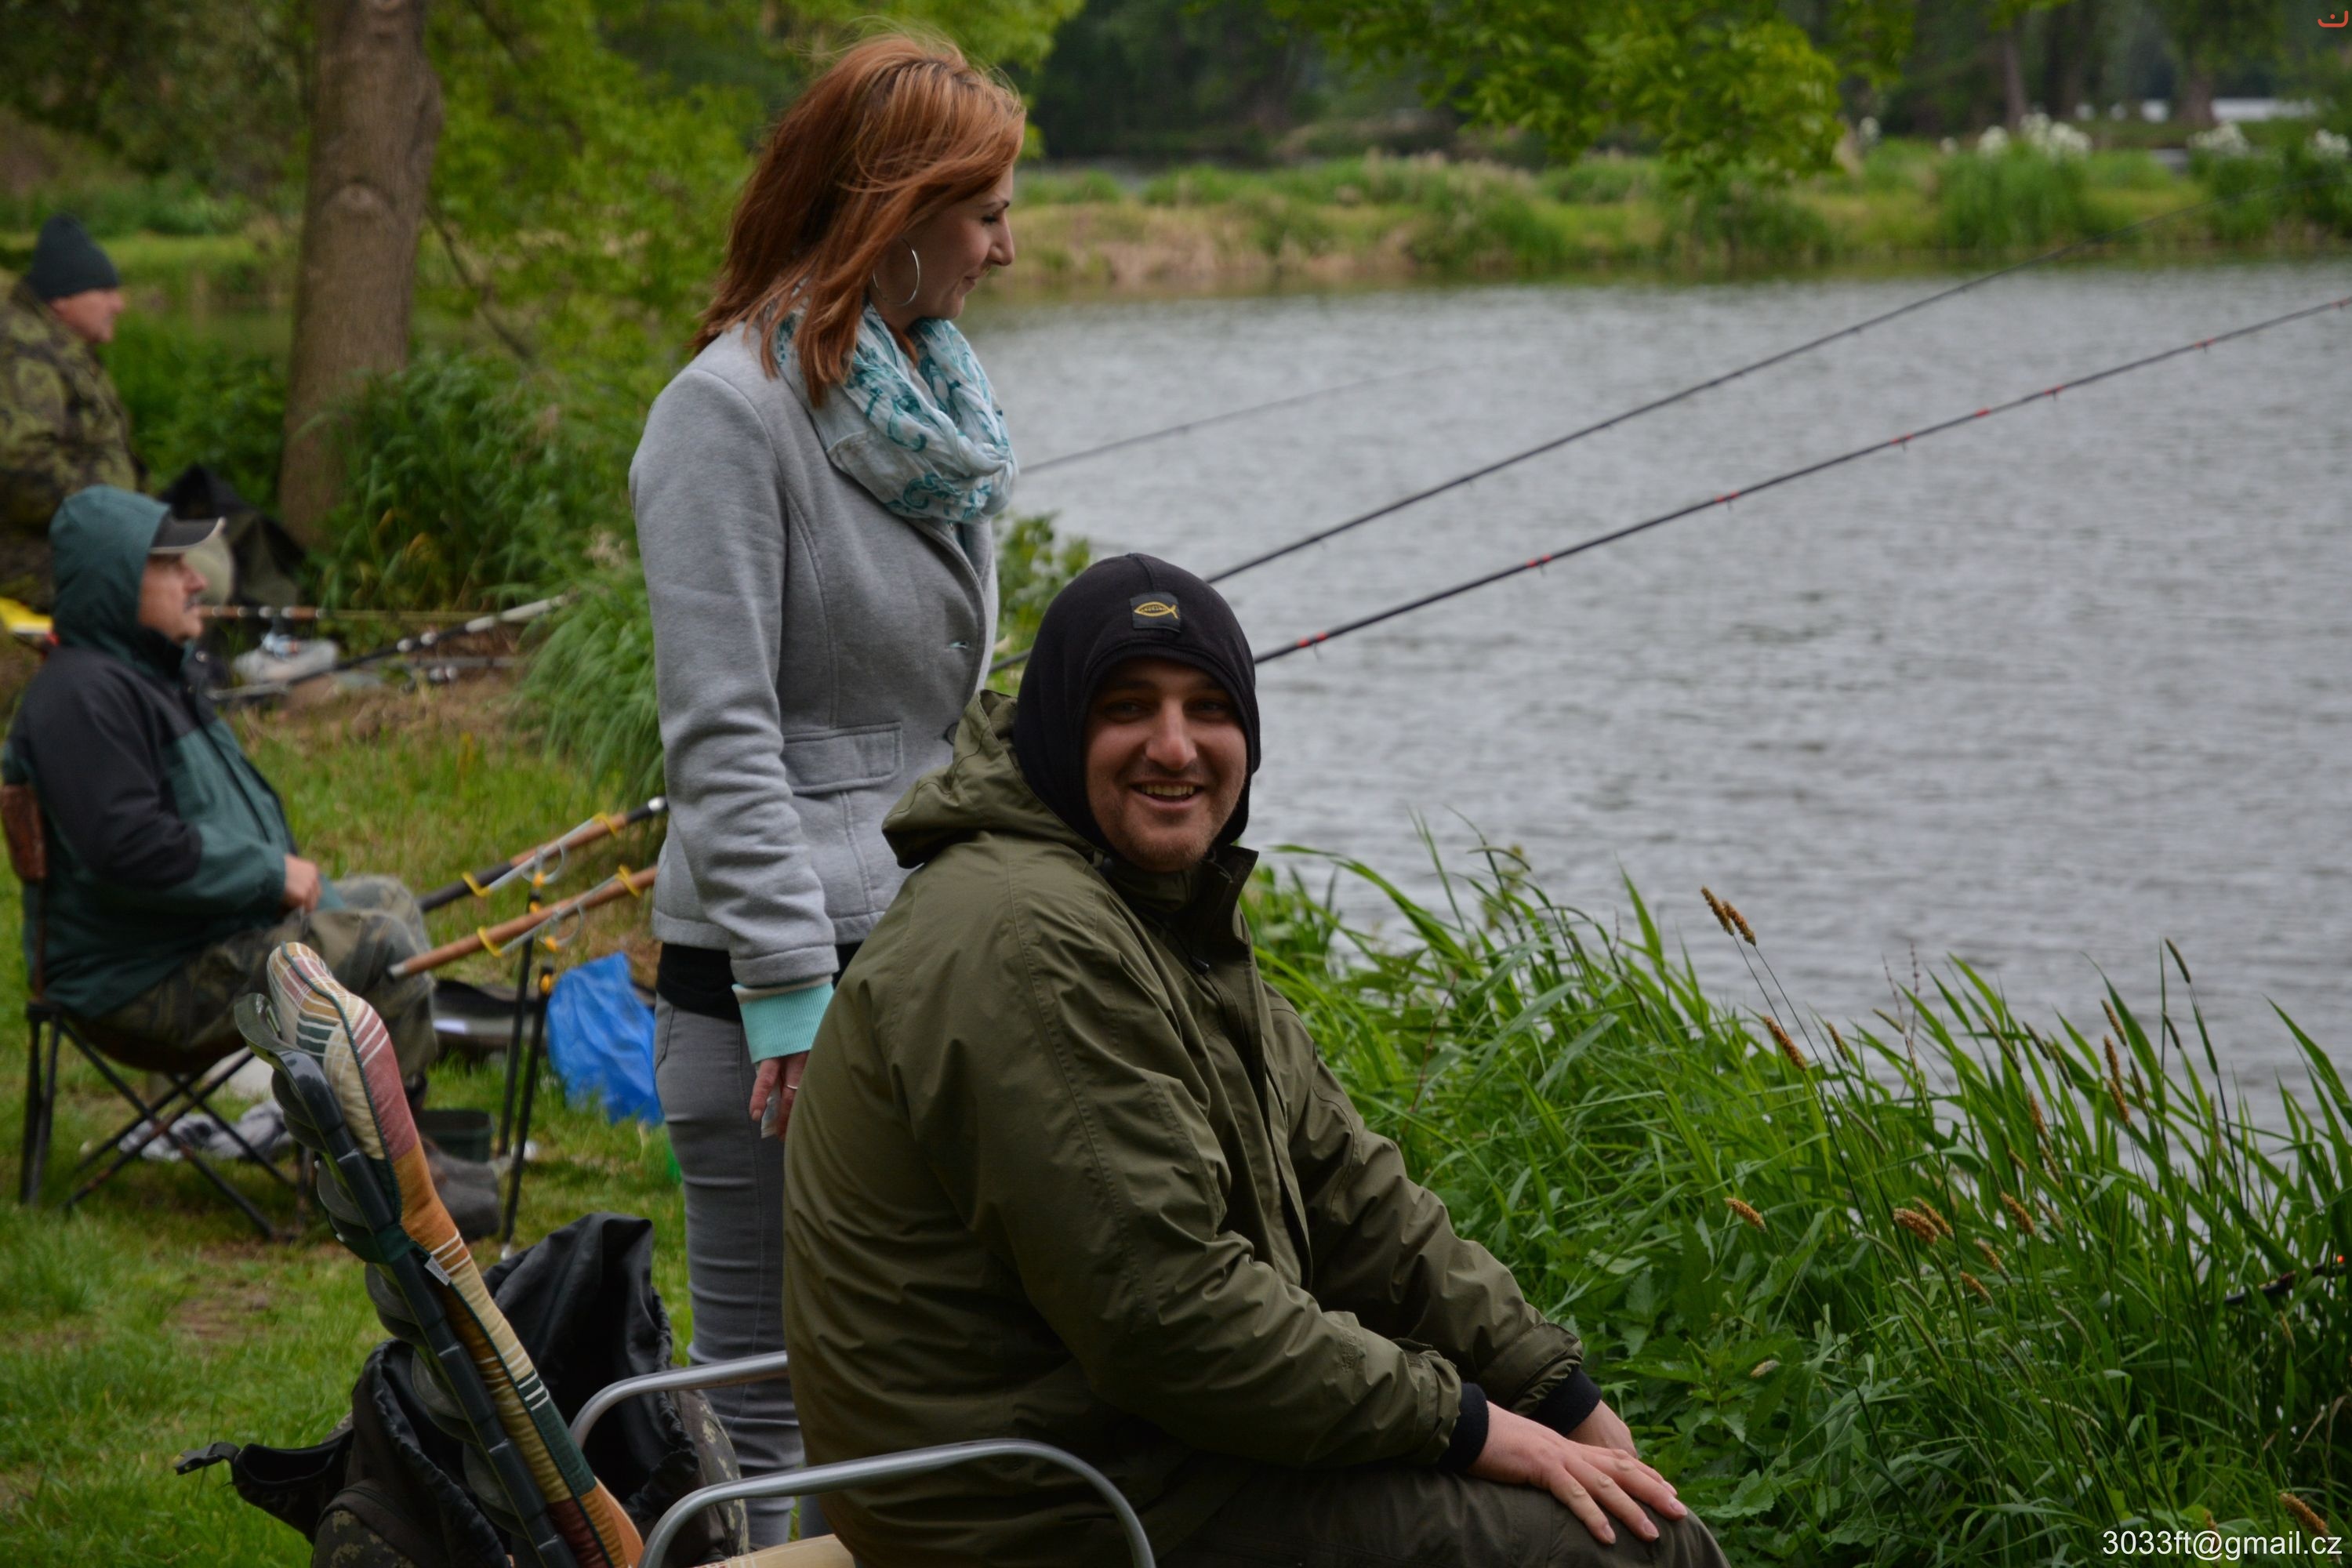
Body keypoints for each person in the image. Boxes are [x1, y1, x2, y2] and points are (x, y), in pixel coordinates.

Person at [782, 555, 1734, 1567]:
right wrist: (1468, 1423)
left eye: (1209, 708)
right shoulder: (1030, 935)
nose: (1175, 746)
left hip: (1115, 1441)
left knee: (1629, 1511)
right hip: (1036, 1497)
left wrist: (1555, 1390)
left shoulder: (1147, 904)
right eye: (1127, 707)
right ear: (1061, 727)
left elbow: (1353, 1195)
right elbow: (1168, 1316)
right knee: (1632, 1554)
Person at [632, 31, 1022, 1546]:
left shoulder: (926, 406)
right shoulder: (724, 416)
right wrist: (790, 988)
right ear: (894, 212)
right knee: (771, 1401)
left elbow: (925, 707)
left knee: (912, 1381)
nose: (1004, 247)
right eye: (983, 211)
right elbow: (721, 734)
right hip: (774, 992)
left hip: (916, 957)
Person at [1, 486, 437, 1087]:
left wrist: (293, 892)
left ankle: (364, 1120)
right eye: (171, 566)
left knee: (389, 902)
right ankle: (394, 1144)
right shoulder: (79, 700)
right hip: (140, 981)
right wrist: (269, 874)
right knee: (378, 946)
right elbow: (128, 849)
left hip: (201, 937)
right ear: (117, 581)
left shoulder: (152, 676)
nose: (198, 581)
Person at [1, 214, 141, 607]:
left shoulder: (59, 345)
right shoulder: (25, 354)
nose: (119, 304)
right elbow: (24, 470)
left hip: (74, 538)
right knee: (194, 580)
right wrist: (114, 517)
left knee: (205, 560)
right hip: (27, 557)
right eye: (104, 290)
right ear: (61, 300)